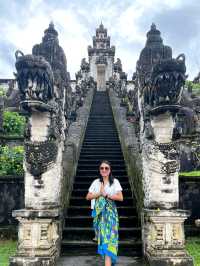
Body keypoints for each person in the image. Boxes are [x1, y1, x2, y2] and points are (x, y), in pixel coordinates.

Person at [86, 160, 123, 266]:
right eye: (102, 168)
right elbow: (88, 197)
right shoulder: (96, 182)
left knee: (109, 240)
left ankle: (108, 262)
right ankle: (109, 262)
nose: (104, 170)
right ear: (99, 170)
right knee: (104, 241)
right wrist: (99, 193)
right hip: (100, 215)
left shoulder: (115, 182)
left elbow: (120, 198)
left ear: (110, 170)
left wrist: (106, 195)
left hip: (111, 215)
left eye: (106, 168)